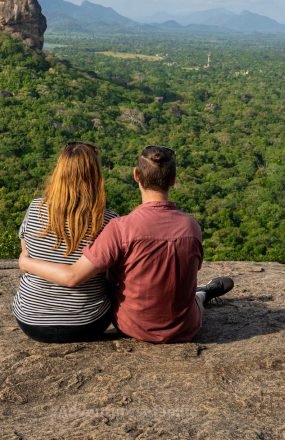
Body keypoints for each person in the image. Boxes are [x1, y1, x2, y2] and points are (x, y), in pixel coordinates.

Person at [19, 145, 234, 343]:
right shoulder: (190, 227)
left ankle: (202, 293)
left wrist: (26, 263)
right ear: (174, 179)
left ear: (136, 175)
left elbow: (30, 248)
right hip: (101, 323)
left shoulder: (37, 209)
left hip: (35, 320)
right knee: (194, 298)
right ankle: (203, 294)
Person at [12, 141, 119, 342]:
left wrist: (25, 263)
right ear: (95, 177)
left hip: (30, 321)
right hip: (87, 322)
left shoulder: (35, 209)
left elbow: (26, 254)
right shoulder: (108, 221)